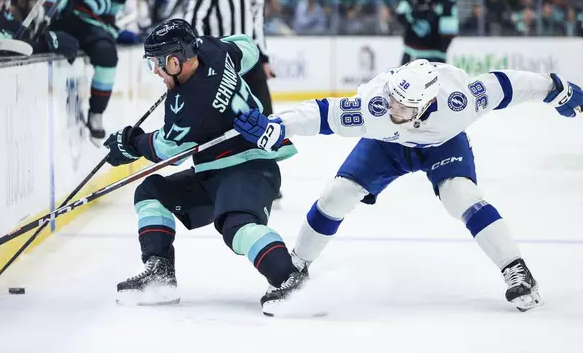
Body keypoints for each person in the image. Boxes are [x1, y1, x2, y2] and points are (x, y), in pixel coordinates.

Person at [234, 59, 583, 314]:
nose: (391, 107)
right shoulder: (376, 106)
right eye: (391, 99)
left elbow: (507, 83)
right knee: (336, 196)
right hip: (386, 146)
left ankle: (515, 269)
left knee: (461, 196)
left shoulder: (458, 101)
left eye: (402, 106)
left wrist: (556, 89)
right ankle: (298, 266)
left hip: (442, 144)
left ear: (425, 105)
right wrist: (278, 125)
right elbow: (324, 113)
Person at [102, 19, 305, 314]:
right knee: (152, 192)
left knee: (236, 225)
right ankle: (160, 275)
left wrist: (131, 144)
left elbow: (170, 149)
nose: (156, 71)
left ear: (175, 60)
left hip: (249, 166)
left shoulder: (191, 107)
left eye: (157, 64)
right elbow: (247, 48)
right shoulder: (212, 49)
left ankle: (290, 279)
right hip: (215, 170)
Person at [38, 0, 135, 144]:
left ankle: (97, 112)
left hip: (97, 29)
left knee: (108, 56)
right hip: (67, 21)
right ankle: (40, 17)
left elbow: (113, 11)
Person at [185, 0, 276, 118]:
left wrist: (264, 59)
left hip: (250, 56)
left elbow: (258, 27)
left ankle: (267, 140)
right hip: (220, 57)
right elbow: (194, 19)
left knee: (265, 110)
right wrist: (201, 51)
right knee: (221, 112)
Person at [394, 0, 457, 64]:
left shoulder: (448, 2)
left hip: (434, 56)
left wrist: (439, 53)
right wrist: (413, 25)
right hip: (410, 52)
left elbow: (448, 33)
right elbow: (400, 13)